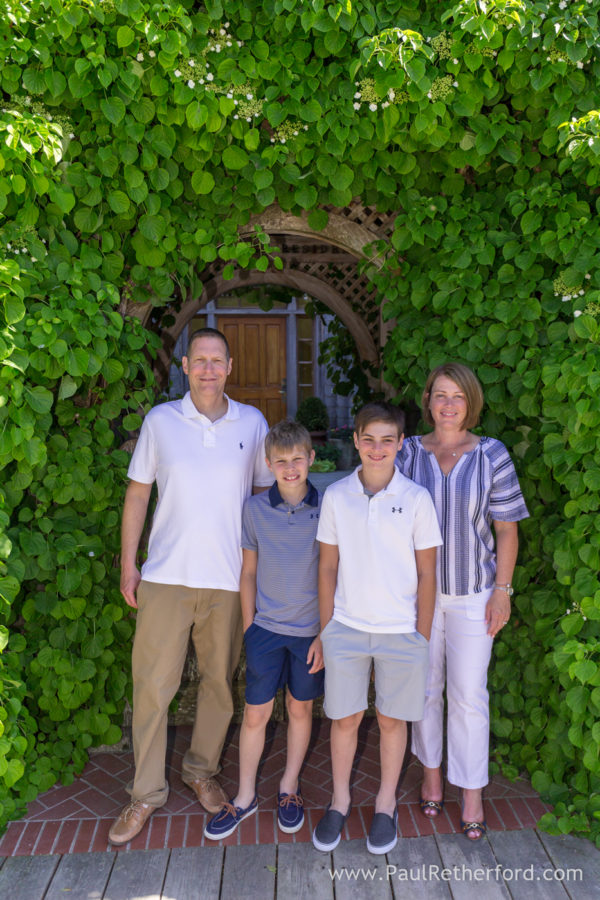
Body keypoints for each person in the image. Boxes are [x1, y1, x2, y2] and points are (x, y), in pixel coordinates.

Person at [108, 327, 272, 845]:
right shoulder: (162, 421)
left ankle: (201, 770)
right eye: (198, 360)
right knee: (153, 690)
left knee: (221, 686)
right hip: (164, 577)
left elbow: (265, 496)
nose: (207, 369)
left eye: (216, 360)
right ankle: (145, 794)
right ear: (184, 366)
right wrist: (127, 563)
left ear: (229, 366)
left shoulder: (253, 422)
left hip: (227, 580)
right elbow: (138, 495)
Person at [396, 362, 529, 841]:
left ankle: (471, 791)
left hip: (476, 596)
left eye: (457, 396)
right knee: (425, 690)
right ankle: (431, 775)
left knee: (470, 696)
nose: (448, 404)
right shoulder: (408, 454)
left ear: (470, 402)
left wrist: (502, 591)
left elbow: (507, 529)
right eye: (439, 395)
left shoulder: (492, 454)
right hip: (419, 599)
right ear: (427, 401)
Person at [312, 402, 442, 855]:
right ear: (356, 441)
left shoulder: (417, 499)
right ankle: (340, 799)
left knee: (391, 720)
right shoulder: (336, 496)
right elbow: (327, 567)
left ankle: (385, 804)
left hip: (401, 630)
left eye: (388, 440)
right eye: (369, 439)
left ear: (401, 444)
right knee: (345, 718)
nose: (377, 448)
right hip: (346, 627)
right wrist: (327, 630)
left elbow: (428, 574)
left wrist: (421, 637)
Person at [204, 420, 325, 840]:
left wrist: (325, 633)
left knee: (300, 709)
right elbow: (248, 571)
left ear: (311, 459)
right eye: (280, 461)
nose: (289, 468)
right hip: (266, 631)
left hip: (310, 633)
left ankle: (289, 788)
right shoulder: (254, 510)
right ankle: (244, 796)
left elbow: (334, 574)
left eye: (297, 460)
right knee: (255, 714)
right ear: (269, 464)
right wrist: (250, 626)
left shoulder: (327, 508)